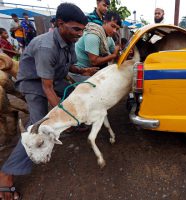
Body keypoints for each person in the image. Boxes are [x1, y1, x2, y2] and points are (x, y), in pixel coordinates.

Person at [0, 3, 97, 200]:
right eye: (76, 29)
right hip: (34, 84)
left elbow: (69, 66)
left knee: (78, 92)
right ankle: (5, 175)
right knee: (37, 126)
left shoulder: (68, 40)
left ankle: (72, 123)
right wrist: (63, 114)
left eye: (82, 29)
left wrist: (84, 71)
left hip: (52, 80)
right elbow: (47, 88)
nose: (79, 34)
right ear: (60, 24)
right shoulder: (46, 46)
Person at [70, 11, 121, 82]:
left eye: (117, 29)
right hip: (79, 71)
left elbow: (117, 53)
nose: (115, 31)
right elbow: (94, 61)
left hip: (92, 70)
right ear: (105, 22)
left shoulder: (109, 39)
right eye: (113, 26)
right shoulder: (93, 35)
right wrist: (113, 55)